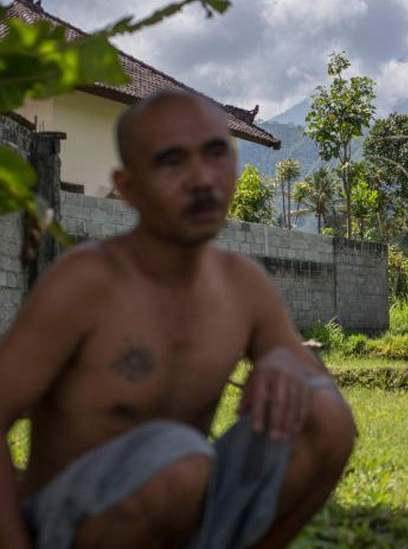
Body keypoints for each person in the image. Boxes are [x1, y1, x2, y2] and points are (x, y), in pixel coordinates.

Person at [0, 89, 356, 548]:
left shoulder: (243, 284)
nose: (202, 179)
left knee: (324, 416)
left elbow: (304, 371)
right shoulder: (87, 282)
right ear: (129, 188)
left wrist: (285, 360)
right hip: (67, 526)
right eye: (172, 162)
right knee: (180, 460)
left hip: (182, 502)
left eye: (216, 154)